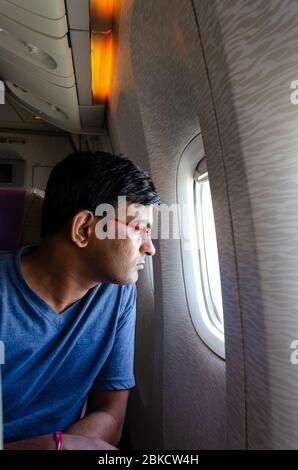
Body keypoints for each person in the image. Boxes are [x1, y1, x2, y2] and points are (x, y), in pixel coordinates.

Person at [0, 151, 160, 450]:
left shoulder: (118, 294)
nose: (149, 248)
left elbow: (111, 411)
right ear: (85, 229)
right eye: (140, 229)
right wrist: (51, 447)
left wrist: (63, 445)